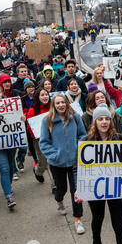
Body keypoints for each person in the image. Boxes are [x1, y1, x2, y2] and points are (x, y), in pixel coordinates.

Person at [74, 104, 122, 244]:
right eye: (100, 119)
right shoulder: (85, 141)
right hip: (94, 188)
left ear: (111, 121)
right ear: (94, 122)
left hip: (115, 187)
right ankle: (96, 243)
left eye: (107, 119)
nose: (104, 122)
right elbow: (77, 167)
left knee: (118, 224)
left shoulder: (118, 138)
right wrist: (79, 188)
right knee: (97, 219)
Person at [39, 94, 87, 235]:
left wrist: (78, 149)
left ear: (66, 103)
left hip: (74, 162)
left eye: (63, 102)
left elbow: (82, 136)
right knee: (62, 189)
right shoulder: (46, 120)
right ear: (54, 105)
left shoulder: (76, 117)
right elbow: (44, 143)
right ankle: (59, 200)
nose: (61, 105)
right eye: (58, 103)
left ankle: (78, 219)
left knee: (77, 191)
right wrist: (55, 155)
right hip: (57, 163)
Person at [25, 88, 51, 184]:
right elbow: (29, 128)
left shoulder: (53, 108)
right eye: (42, 95)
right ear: (37, 97)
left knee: (52, 161)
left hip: (53, 139)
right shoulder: (32, 111)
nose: (45, 97)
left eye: (46, 94)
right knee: (43, 162)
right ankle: (38, 171)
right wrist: (38, 135)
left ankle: (54, 185)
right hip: (39, 140)